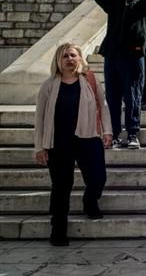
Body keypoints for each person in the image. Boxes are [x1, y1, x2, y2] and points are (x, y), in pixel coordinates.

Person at [34, 44, 112, 246]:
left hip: (88, 137)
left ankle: (89, 200)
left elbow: (103, 105)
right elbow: (40, 118)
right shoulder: (49, 85)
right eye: (65, 56)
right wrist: (39, 147)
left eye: (73, 55)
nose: (69, 59)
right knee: (61, 187)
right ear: (58, 61)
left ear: (79, 58)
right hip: (58, 143)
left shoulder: (90, 81)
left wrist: (108, 131)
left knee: (98, 178)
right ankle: (58, 230)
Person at [92, 0, 146, 149]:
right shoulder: (114, 5)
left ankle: (133, 133)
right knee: (113, 96)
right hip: (112, 56)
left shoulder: (143, 6)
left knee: (133, 95)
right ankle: (116, 133)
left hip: (133, 57)